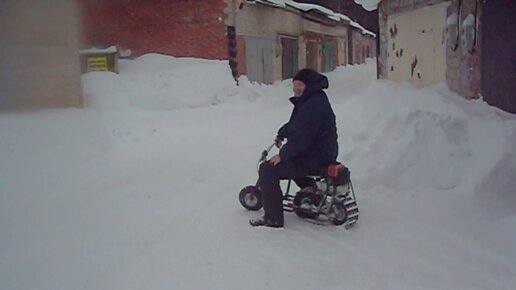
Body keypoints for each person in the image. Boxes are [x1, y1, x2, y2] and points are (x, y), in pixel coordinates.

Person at [250, 68, 338, 228]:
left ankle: (273, 218)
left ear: (309, 85)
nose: (295, 88)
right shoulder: (313, 99)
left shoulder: (312, 105)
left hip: (315, 157)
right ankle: (310, 191)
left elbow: (303, 137)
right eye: (294, 84)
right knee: (291, 161)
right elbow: (297, 125)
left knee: (267, 169)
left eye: (300, 85)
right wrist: (282, 133)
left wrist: (283, 155)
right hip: (320, 154)